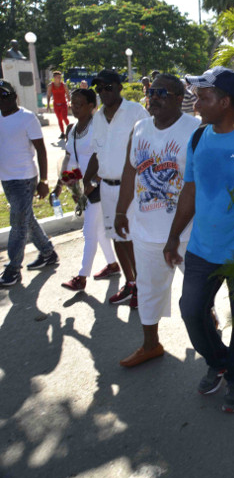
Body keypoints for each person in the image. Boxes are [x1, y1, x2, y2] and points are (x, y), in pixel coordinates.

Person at [165, 66, 234, 413]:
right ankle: (219, 361)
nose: (197, 103)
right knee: (191, 311)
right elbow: (189, 190)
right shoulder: (198, 138)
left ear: (225, 101)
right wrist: (173, 236)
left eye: (204, 97)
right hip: (202, 248)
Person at [113, 74, 200, 368]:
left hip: (189, 232)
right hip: (146, 231)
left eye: (162, 92)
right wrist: (121, 211)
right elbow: (129, 171)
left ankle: (213, 349)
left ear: (179, 98)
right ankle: (151, 345)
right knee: (148, 290)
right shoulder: (139, 129)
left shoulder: (196, 129)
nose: (154, 97)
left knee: (200, 293)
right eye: (151, 92)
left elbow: (203, 181)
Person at [84, 70, 150, 307]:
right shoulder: (98, 117)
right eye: (99, 89)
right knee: (117, 237)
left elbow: (149, 146)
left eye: (107, 87)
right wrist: (86, 179)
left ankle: (143, 288)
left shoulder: (135, 112)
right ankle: (130, 283)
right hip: (107, 187)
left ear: (119, 87)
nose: (103, 93)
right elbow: (96, 152)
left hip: (132, 188)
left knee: (132, 239)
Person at [55, 89, 119, 292]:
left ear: (92, 106)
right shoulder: (73, 129)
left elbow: (105, 157)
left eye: (79, 103)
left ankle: (81, 277)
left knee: (89, 231)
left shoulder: (99, 127)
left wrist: (90, 184)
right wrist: (62, 186)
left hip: (99, 187)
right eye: (72, 103)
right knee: (99, 230)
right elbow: (70, 159)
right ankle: (112, 265)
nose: (74, 107)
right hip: (83, 188)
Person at [0, 79, 59, 287]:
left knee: (17, 223)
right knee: (26, 218)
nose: (1, 101)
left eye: (4, 96)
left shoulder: (27, 118)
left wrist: (43, 180)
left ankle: (13, 269)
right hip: (6, 179)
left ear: (14, 97)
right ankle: (48, 252)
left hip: (25, 179)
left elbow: (41, 150)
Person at [46, 71, 70, 139]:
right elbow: (48, 95)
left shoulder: (64, 85)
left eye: (60, 77)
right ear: (54, 78)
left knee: (64, 117)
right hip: (56, 104)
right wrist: (48, 105)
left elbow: (68, 94)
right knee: (59, 119)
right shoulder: (50, 85)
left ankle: (70, 130)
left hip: (63, 104)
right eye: (58, 77)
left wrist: (69, 102)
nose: (59, 78)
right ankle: (62, 133)